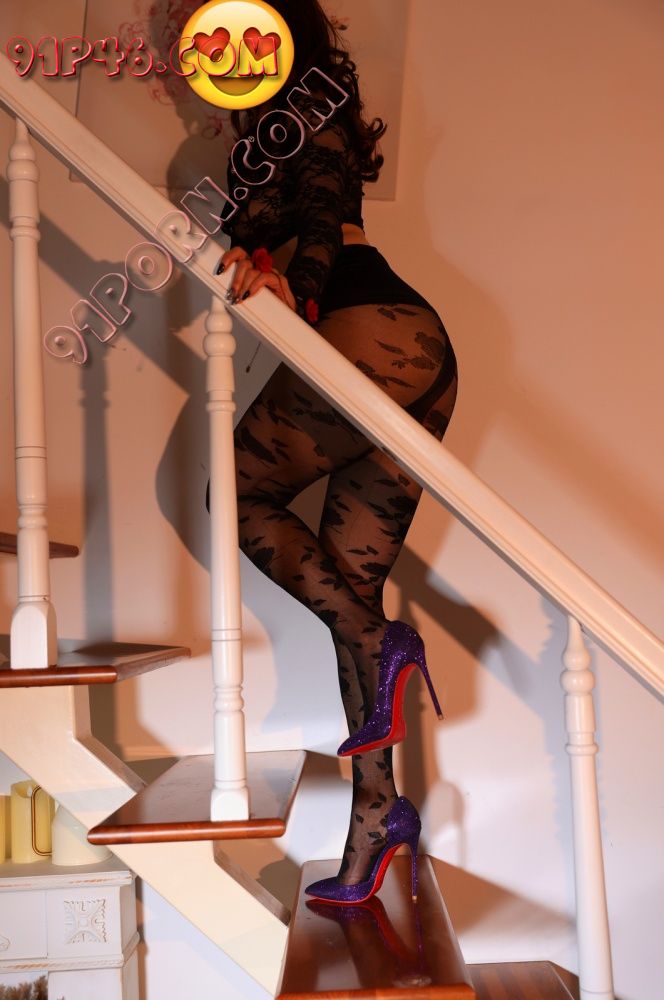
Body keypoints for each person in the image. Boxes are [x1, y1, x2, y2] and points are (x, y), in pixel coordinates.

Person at [205, 0, 459, 900]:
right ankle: (377, 818)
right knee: (351, 585)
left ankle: (380, 640)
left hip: (368, 326)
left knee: (238, 495)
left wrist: (296, 291)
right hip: (410, 348)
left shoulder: (300, 111)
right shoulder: (279, 123)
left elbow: (317, 219)